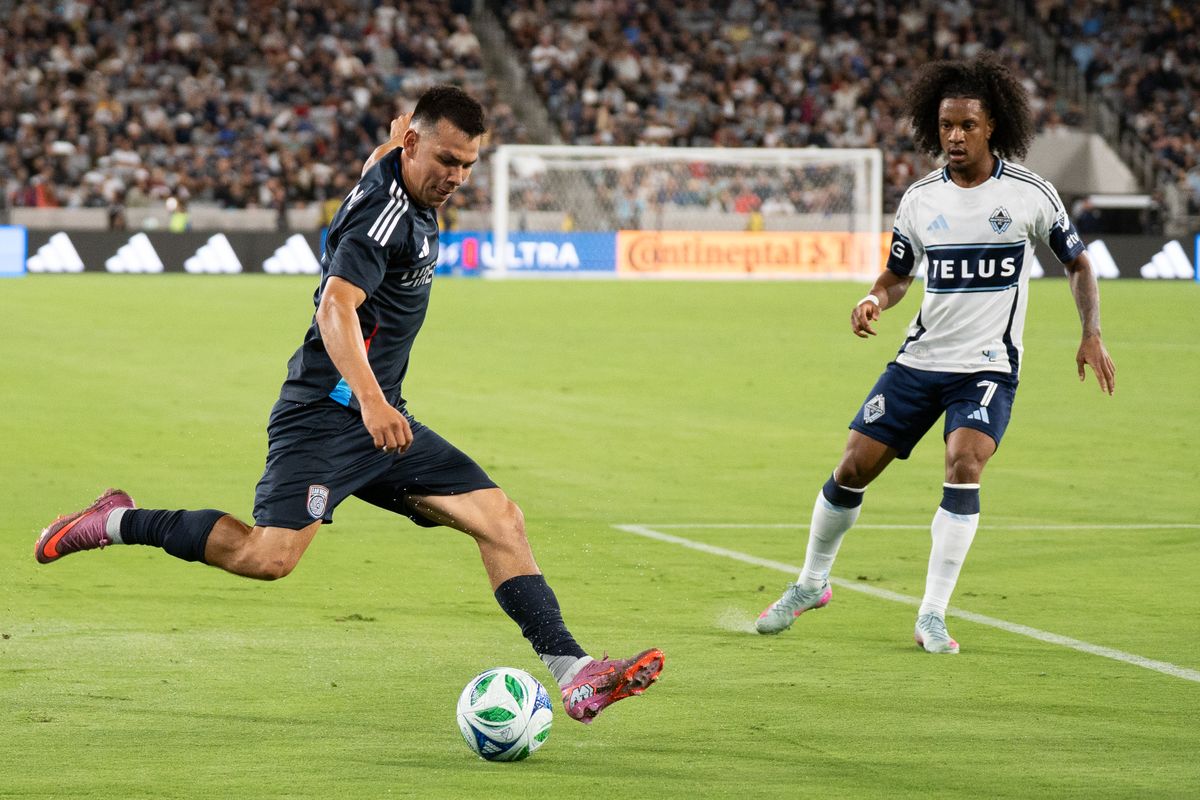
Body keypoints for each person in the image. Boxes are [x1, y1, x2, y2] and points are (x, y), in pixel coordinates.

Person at [36, 86, 664, 720]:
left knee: (501, 519)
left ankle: (576, 674)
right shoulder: (381, 219)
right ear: (415, 145)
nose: (457, 177)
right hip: (326, 414)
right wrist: (370, 400)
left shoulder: (398, 166)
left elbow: (385, 147)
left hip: (382, 420)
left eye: (468, 164)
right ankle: (115, 520)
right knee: (267, 558)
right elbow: (335, 307)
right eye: (447, 160)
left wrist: (397, 140)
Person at [755, 56, 1116, 653]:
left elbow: (1078, 263)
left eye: (967, 125)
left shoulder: (1029, 194)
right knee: (851, 469)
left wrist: (1091, 332)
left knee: (964, 464)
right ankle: (811, 584)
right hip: (919, 361)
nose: (955, 136)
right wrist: (874, 298)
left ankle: (932, 614)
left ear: (992, 125)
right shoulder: (921, 198)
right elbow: (898, 274)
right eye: (946, 124)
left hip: (987, 366)